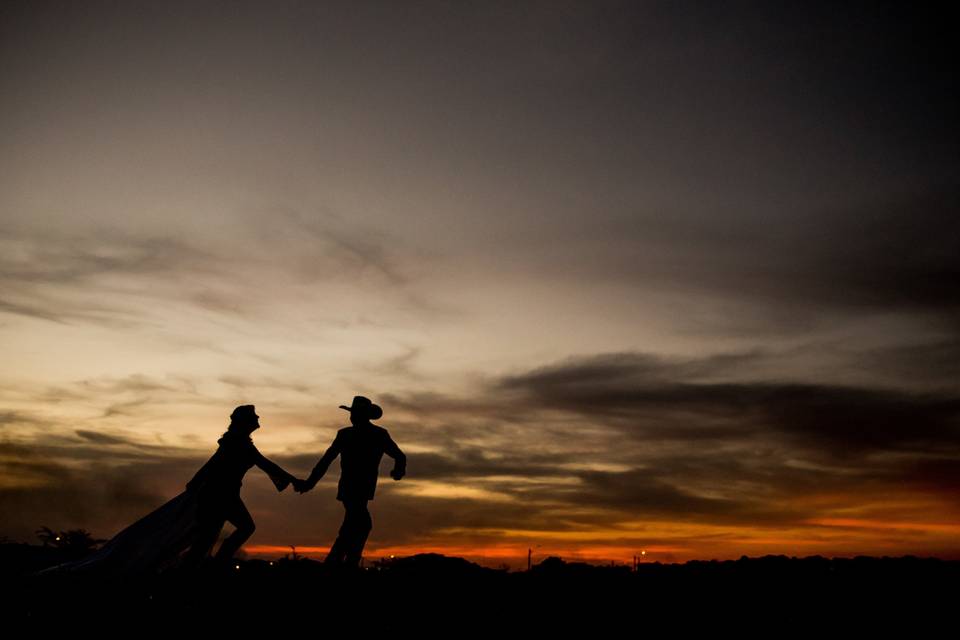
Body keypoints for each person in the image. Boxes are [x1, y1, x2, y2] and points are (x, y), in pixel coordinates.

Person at [39, 404, 295, 576]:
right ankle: (212, 567)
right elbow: (256, 464)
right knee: (219, 535)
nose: (259, 419)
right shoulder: (237, 443)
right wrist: (296, 482)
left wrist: (294, 481)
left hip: (223, 495)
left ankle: (207, 568)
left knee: (207, 538)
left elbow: (229, 464)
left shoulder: (238, 443)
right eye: (255, 417)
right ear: (246, 422)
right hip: (218, 496)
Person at [294, 396, 405, 567]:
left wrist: (310, 482)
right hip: (355, 488)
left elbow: (326, 460)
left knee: (353, 525)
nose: (351, 417)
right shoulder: (374, 434)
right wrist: (398, 470)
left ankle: (338, 562)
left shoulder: (354, 435)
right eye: (351, 413)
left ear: (362, 415)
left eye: (354, 413)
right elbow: (400, 456)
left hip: (352, 487)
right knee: (361, 524)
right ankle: (344, 562)